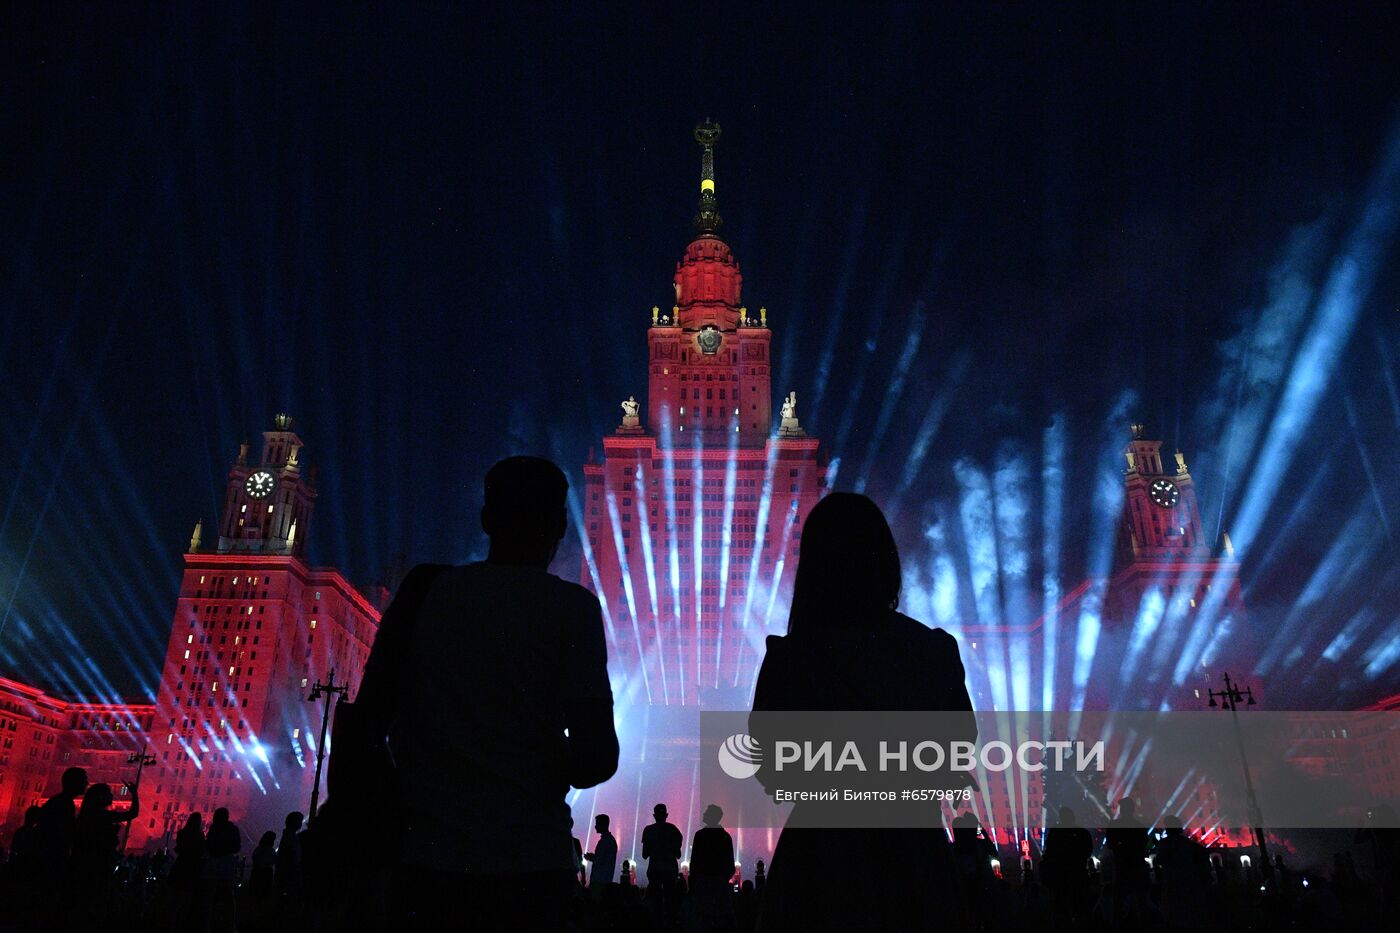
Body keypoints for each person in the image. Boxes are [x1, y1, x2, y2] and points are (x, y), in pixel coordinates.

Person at [361, 456, 619, 930]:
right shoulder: (574, 610)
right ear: (561, 524)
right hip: (532, 869)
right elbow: (597, 757)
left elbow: (367, 722)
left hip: (426, 865)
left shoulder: (425, 591)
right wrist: (528, 753)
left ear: (486, 519)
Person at [749, 493, 976, 932]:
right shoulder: (932, 652)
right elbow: (958, 758)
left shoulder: (790, 659)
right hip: (918, 872)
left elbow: (772, 774)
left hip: (817, 873)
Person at [71, 781, 140, 924]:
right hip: (99, 865)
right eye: (108, 793)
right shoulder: (103, 816)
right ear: (101, 797)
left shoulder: (87, 815)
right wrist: (134, 795)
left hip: (85, 865)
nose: (112, 795)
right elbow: (133, 813)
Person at [683, 804, 736, 932]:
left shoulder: (700, 836)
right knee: (721, 916)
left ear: (712, 817)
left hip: (703, 881)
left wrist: (693, 882)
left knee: (702, 917)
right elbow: (730, 863)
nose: (704, 814)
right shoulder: (725, 837)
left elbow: (694, 861)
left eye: (706, 812)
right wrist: (723, 879)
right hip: (719, 881)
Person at [1040, 805, 1093, 932]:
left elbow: (1049, 853)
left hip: (1061, 877)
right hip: (1077, 875)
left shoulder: (1056, 833)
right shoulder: (1081, 832)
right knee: (1079, 909)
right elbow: (1088, 851)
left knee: (1062, 910)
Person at [1104, 797, 1149, 926]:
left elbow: (1111, 844)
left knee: (1121, 900)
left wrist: (1121, 846)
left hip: (1122, 867)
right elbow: (1143, 844)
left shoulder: (1115, 826)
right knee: (1139, 901)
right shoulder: (1139, 826)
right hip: (1135, 867)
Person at [201, 807, 240, 933]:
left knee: (211, 896)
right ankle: (229, 925)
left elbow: (208, 845)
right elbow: (236, 847)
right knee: (227, 896)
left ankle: (208, 924)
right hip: (225, 866)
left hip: (215, 865)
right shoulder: (232, 829)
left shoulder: (214, 829)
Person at [641, 803, 682, 899]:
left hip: (654, 869)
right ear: (666, 815)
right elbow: (678, 855)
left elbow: (644, 855)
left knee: (655, 899)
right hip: (670, 870)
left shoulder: (648, 830)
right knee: (670, 897)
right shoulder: (673, 830)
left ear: (654, 816)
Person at [585, 813, 618, 897]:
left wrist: (590, 857)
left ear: (603, 824)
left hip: (599, 880)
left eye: (597, 824)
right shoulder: (611, 840)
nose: (595, 826)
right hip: (606, 878)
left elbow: (598, 860)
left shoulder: (605, 841)